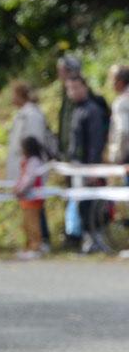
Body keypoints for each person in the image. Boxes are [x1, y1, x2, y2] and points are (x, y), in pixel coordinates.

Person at [5, 81, 53, 249]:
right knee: (29, 208)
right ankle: (33, 241)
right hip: (24, 167)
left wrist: (28, 164)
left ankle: (41, 240)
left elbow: (33, 141)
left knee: (35, 207)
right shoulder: (23, 114)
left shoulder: (32, 114)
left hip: (31, 167)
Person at [65, 75, 108, 253]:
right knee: (82, 205)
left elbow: (96, 143)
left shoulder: (92, 110)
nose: (73, 92)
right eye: (70, 88)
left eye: (76, 87)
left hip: (88, 168)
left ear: (85, 88)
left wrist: (92, 169)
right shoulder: (76, 110)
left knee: (91, 205)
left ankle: (96, 240)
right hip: (77, 167)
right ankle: (88, 239)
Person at [14, 136, 48, 259]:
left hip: (33, 197)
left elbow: (29, 178)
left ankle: (36, 246)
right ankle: (29, 246)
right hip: (26, 198)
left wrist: (20, 189)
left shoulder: (34, 161)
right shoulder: (28, 160)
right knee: (27, 224)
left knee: (33, 224)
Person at [106, 65, 129, 166]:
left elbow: (123, 131)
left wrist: (118, 157)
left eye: (112, 80)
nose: (110, 84)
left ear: (120, 82)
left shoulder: (121, 102)